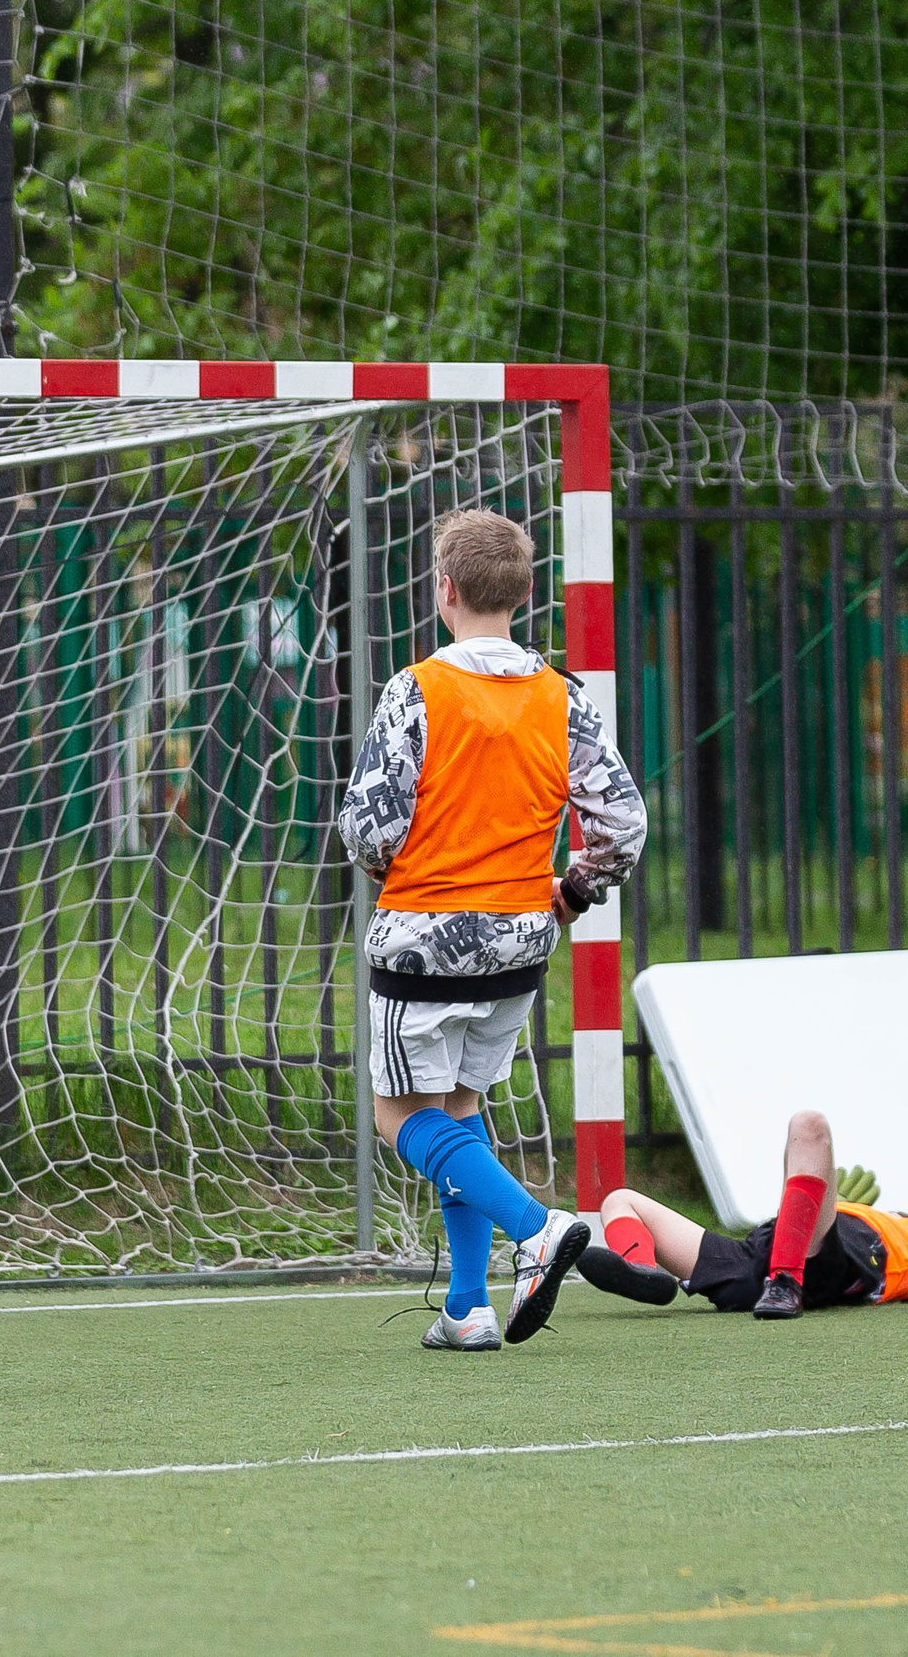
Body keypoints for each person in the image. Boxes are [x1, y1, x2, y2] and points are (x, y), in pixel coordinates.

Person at [337, 507, 648, 1351]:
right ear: (522, 592)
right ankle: (468, 1307)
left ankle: (537, 1229)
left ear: (444, 588)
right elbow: (622, 822)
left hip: (424, 937)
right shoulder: (561, 695)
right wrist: (574, 891)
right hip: (518, 942)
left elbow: (367, 828)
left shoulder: (417, 689)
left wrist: (390, 866)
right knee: (460, 1106)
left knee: (400, 1116)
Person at [580, 1109, 908, 1317]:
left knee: (809, 1124)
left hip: (817, 1267)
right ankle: (643, 1271)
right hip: (760, 1259)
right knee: (619, 1200)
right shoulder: (886, 1229)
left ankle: (786, 1283)